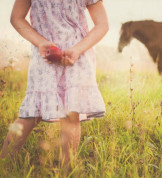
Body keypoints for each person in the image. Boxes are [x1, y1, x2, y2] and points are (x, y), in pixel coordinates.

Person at [0, 0, 108, 166]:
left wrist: (78, 49)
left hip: (77, 57)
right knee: (31, 113)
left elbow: (102, 25)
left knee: (72, 114)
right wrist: (40, 42)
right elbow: (17, 18)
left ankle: (66, 170)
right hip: (44, 57)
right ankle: (4, 164)